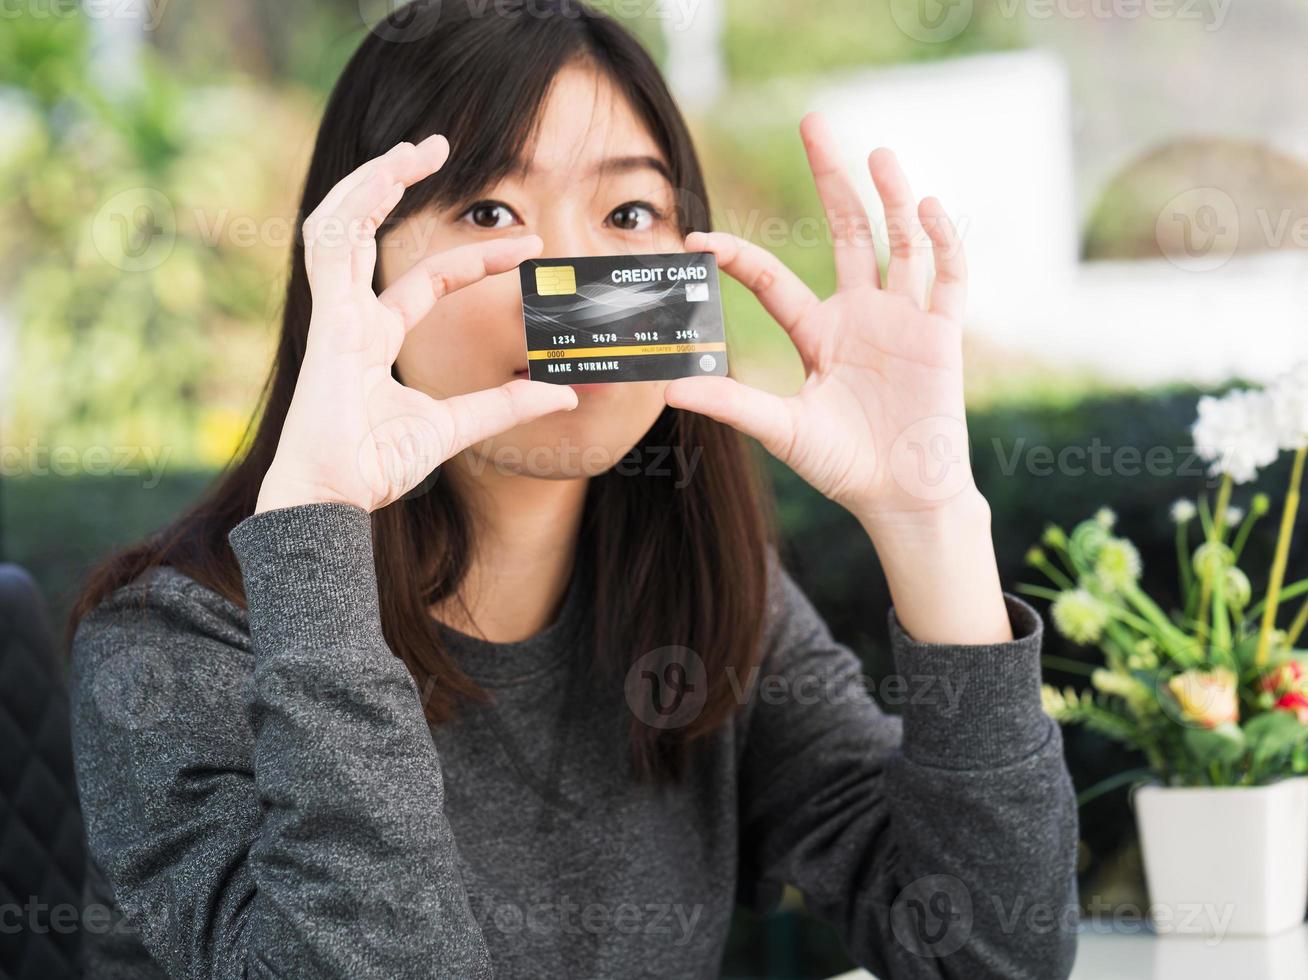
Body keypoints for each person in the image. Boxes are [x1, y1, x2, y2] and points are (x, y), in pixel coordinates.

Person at [67, 2, 1078, 977]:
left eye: (628, 212)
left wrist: (931, 519)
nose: (576, 275)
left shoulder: (706, 600)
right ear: (361, 272)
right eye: (489, 210)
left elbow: (988, 952)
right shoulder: (173, 644)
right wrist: (320, 525)